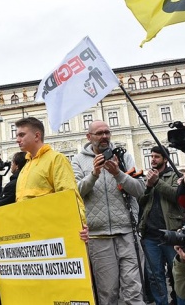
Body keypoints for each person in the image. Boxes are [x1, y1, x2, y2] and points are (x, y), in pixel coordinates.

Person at [71, 120, 146, 305]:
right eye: (99, 133)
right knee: (107, 293)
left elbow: (140, 190)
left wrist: (118, 173)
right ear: (89, 137)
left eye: (107, 132)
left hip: (127, 231)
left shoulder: (123, 155)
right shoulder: (78, 160)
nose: (104, 136)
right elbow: (75, 193)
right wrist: (94, 174)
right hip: (98, 235)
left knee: (134, 290)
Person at [138, 145, 185, 305]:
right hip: (151, 236)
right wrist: (147, 187)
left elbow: (177, 196)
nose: (152, 159)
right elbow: (141, 203)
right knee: (155, 276)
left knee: (179, 274)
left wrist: (157, 182)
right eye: (151, 156)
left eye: (156, 157)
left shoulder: (176, 175)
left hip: (172, 233)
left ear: (165, 159)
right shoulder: (148, 178)